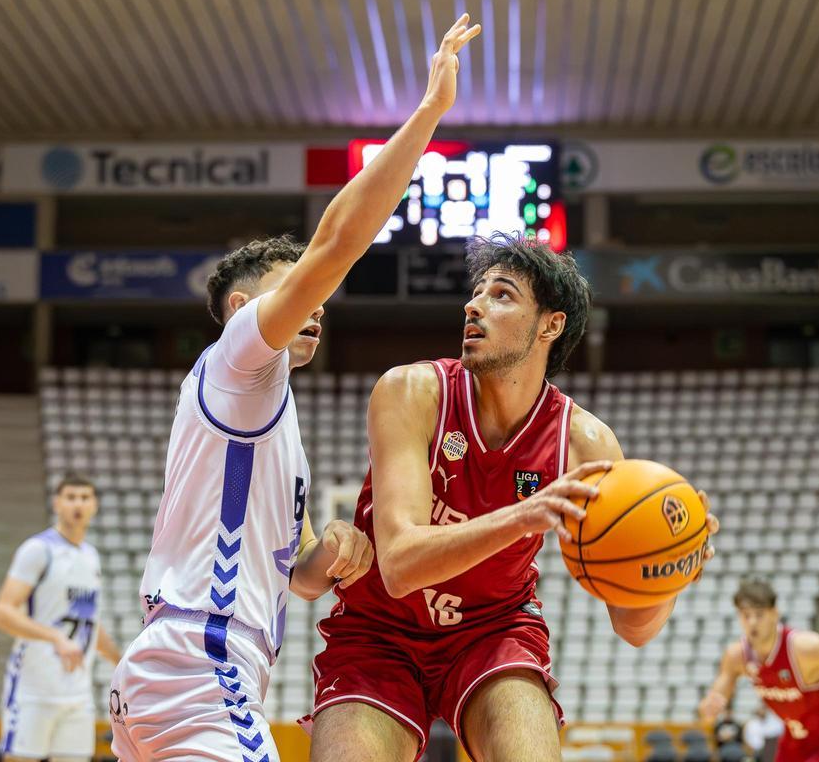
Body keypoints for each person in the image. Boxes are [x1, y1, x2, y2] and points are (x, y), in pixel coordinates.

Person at [106, 14, 483, 762]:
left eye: (316, 299)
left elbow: (303, 578)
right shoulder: (240, 359)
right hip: (201, 667)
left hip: (183, 666)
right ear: (246, 310)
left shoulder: (269, 424)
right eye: (295, 293)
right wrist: (430, 115)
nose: (317, 305)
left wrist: (335, 551)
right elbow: (338, 242)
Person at [306, 237, 720, 762]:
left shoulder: (584, 442)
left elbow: (632, 628)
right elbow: (400, 565)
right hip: (378, 632)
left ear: (551, 324)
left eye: (501, 295)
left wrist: (668, 568)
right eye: (475, 292)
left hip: (492, 630)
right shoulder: (412, 391)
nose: (473, 305)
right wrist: (523, 514)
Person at [0, 474, 122, 761]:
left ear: (95, 505)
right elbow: (3, 613)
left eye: (85, 497)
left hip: (77, 692)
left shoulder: (91, 556)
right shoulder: (38, 550)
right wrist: (54, 637)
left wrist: (120, 661)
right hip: (33, 687)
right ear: (57, 503)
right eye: (71, 497)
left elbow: (89, 622)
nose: (78, 503)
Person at [699, 577, 819, 762]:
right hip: (793, 740)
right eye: (746, 615)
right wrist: (710, 706)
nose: (752, 622)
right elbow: (720, 690)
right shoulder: (737, 655)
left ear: (774, 614)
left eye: (759, 614)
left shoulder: (804, 648)